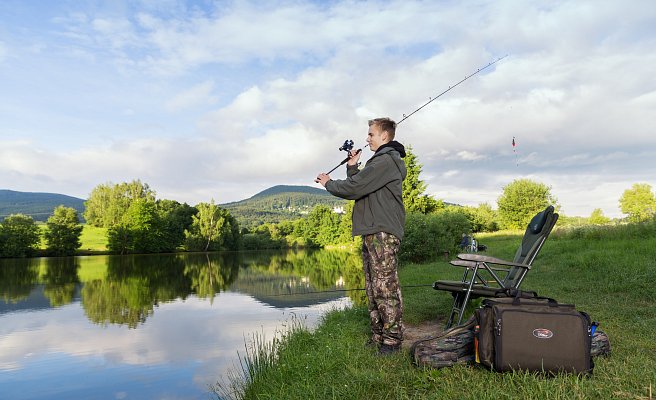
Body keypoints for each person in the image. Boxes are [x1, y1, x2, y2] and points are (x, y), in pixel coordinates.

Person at [315, 117, 407, 354]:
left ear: (384, 136)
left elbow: (353, 188)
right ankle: (379, 336)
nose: (367, 139)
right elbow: (360, 185)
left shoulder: (385, 162)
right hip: (372, 231)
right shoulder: (379, 163)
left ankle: (392, 340)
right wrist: (352, 165)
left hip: (382, 232)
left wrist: (328, 182)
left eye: (371, 135)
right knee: (372, 286)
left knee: (385, 286)